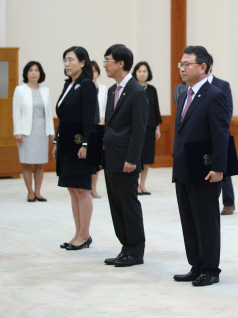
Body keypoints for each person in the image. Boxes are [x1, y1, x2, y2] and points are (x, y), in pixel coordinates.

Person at [172, 46, 230, 287]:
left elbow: (221, 134)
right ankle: (195, 265)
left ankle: (210, 269)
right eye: (181, 64)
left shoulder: (214, 94)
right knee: (188, 218)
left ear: (203, 67)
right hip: (184, 166)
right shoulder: (183, 93)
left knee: (206, 219)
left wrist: (218, 168)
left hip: (205, 169)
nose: (182, 68)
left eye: (188, 64)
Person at [102, 44, 149, 267]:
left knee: (128, 203)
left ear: (121, 63)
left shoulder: (137, 91)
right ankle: (125, 247)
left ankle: (136, 250)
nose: (105, 65)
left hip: (126, 159)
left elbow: (139, 129)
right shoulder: (112, 90)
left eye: (108, 60)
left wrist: (132, 158)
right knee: (116, 204)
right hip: (111, 157)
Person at [53, 46, 99, 250]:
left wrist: (87, 144)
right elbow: (63, 118)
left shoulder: (87, 85)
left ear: (82, 62)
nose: (67, 64)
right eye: (65, 60)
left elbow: (91, 117)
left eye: (70, 60)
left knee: (82, 189)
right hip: (66, 141)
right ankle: (77, 233)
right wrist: (57, 141)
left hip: (80, 142)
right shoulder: (68, 85)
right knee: (72, 189)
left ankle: (85, 234)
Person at [12, 61, 55, 202]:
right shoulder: (20, 90)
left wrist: (51, 131)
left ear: (40, 73)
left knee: (40, 163)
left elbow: (48, 113)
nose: (34, 73)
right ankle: (30, 192)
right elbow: (16, 113)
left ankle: (38, 192)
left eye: (36, 70)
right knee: (27, 163)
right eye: (31, 70)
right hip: (26, 132)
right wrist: (17, 132)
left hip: (41, 132)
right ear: (26, 73)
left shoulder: (45, 91)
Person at [206, 54, 236, 215]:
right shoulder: (192, 86)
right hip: (202, 137)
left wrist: (219, 129)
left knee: (225, 169)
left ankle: (229, 202)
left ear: (208, 66)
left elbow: (228, 109)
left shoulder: (222, 85)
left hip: (221, 132)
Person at [132, 61, 162, 195]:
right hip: (135, 128)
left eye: (145, 71)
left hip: (149, 128)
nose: (142, 74)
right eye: (139, 71)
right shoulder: (132, 88)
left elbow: (156, 110)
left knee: (147, 158)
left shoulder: (152, 90)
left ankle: (142, 184)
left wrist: (157, 128)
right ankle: (135, 185)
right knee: (136, 156)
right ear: (135, 73)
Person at [89, 60, 108, 199]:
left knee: (96, 160)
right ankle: (85, 187)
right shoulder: (83, 87)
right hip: (86, 127)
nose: (92, 74)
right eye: (90, 71)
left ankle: (93, 189)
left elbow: (106, 107)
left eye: (95, 71)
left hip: (99, 126)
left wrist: (103, 120)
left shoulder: (103, 89)